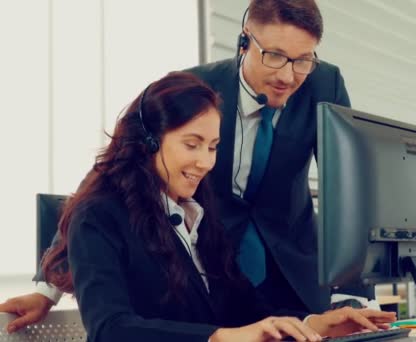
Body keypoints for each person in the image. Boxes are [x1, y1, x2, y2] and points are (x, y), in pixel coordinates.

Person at [1, 0, 367, 331]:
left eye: (303, 60)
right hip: (207, 264)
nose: (289, 76)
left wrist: (351, 291)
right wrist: (47, 287)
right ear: (245, 41)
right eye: (274, 55)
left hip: (288, 266)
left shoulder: (324, 84)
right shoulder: (195, 89)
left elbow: (349, 186)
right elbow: (103, 177)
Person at [35, 72, 394, 341]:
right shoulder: (99, 216)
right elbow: (110, 329)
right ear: (148, 141)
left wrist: (314, 324)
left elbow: (246, 308)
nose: (206, 162)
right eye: (192, 144)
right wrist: (221, 337)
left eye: (212, 147)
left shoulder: (197, 215)